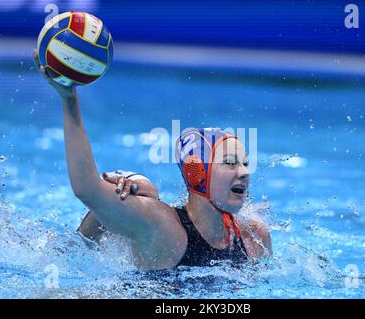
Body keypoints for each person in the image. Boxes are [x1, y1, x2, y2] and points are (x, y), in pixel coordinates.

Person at [34, 49, 272, 271]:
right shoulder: (165, 228)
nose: (244, 171)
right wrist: (70, 102)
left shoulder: (254, 237)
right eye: (230, 163)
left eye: (244, 162)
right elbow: (86, 189)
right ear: (197, 173)